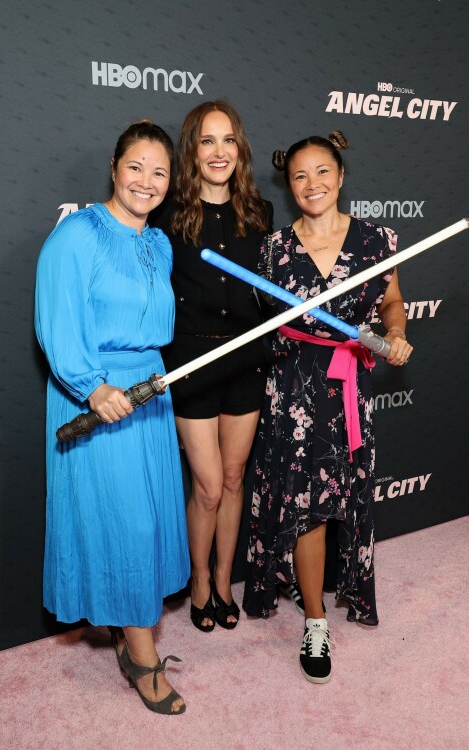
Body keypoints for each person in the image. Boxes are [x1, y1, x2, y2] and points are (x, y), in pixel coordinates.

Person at [242, 131, 413, 684]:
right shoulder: (272, 250)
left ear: (340, 177)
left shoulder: (376, 240)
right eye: (299, 176)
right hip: (293, 389)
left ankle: (319, 588)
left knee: (344, 495)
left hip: (347, 387)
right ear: (288, 186)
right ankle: (315, 619)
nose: (311, 184)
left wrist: (395, 334)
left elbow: (392, 303)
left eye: (322, 172)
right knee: (309, 505)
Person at [35, 120, 190, 714]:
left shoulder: (160, 243)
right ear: (113, 166)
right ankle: (143, 658)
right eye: (136, 168)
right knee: (128, 525)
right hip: (97, 396)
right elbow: (55, 320)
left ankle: (128, 631)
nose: (147, 182)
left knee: (148, 516)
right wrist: (92, 387)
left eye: (159, 172)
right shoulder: (76, 235)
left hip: (151, 391)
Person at [152, 100, 273, 632]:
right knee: (205, 485)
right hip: (193, 363)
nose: (218, 151)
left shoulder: (259, 214)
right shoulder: (169, 217)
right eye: (206, 141)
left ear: (239, 148)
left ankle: (225, 581)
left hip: (247, 359)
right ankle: (198, 580)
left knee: (231, 477)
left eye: (227, 140)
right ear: (191, 150)